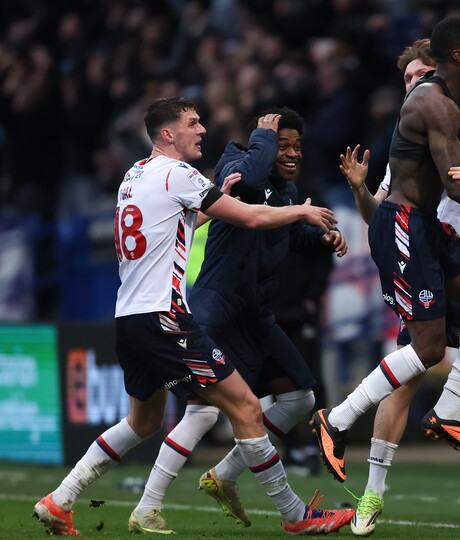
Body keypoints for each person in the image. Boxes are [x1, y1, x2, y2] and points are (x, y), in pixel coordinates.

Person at [32, 97, 353, 536]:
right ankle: (297, 517)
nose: (202, 130)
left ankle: (61, 499)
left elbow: (175, 222)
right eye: (192, 123)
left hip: (130, 316)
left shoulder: (135, 175)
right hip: (168, 318)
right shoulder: (179, 174)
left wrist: (210, 205)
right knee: (244, 406)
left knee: (142, 422)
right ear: (168, 134)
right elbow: (251, 218)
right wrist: (301, 211)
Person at [310, 16, 460, 488]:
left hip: (424, 226)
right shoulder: (436, 103)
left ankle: (445, 410)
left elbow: (446, 170)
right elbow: (457, 190)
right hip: (403, 226)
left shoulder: (447, 104)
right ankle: (335, 419)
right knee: (428, 348)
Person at [126, 108, 348, 533]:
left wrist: (321, 238)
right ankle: (148, 504)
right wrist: (262, 139)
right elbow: (244, 185)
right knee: (202, 414)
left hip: (256, 316)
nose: (291, 153)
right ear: (259, 141)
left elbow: (288, 235)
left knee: (300, 398)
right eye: (281, 144)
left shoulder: (287, 192)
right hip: (218, 309)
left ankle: (224, 475)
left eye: (297, 146)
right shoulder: (233, 161)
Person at [338, 36, 460, 539]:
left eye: (419, 75)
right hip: (425, 265)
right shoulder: (409, 134)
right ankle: (371, 496)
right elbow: (382, 214)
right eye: (406, 81)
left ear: (437, 70)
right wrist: (358, 187)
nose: (413, 86)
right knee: (407, 378)